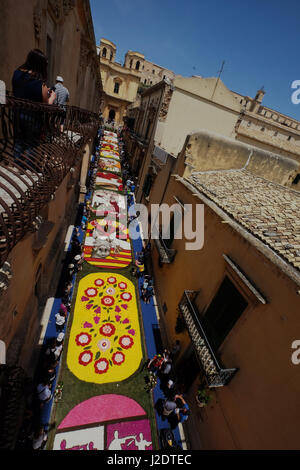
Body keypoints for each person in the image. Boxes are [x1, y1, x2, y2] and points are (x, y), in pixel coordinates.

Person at [12, 49, 56, 169]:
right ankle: (26, 170)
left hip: (17, 113)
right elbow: (47, 104)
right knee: (31, 144)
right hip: (32, 118)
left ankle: (17, 166)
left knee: (19, 140)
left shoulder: (16, 73)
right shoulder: (38, 83)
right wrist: (52, 97)